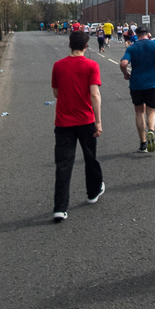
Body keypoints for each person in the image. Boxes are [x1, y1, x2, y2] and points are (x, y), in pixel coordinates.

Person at [50, 30, 104, 222]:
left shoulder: (58, 66)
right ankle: (93, 192)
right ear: (86, 46)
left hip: (64, 121)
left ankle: (60, 207)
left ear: (69, 45)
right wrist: (98, 121)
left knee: (64, 164)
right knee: (90, 157)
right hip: (86, 120)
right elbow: (95, 94)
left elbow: (56, 93)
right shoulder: (91, 65)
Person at [120, 27, 155, 153]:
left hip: (136, 83)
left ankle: (143, 143)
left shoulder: (132, 47)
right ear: (148, 34)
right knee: (152, 111)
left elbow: (123, 63)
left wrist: (126, 74)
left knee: (139, 112)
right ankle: (151, 130)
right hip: (153, 82)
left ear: (136, 35)